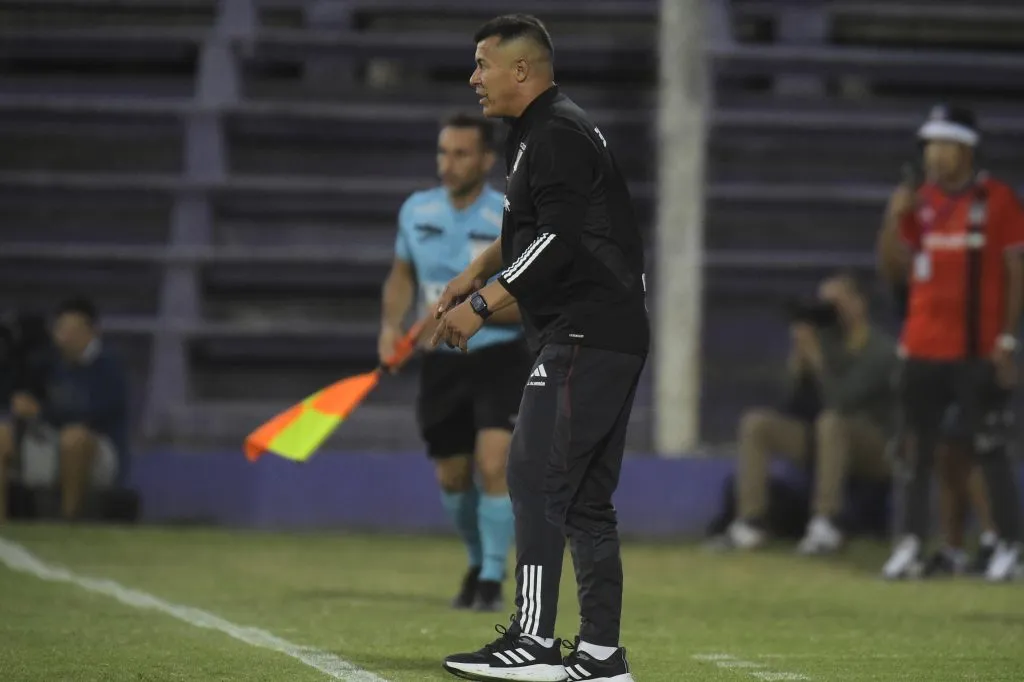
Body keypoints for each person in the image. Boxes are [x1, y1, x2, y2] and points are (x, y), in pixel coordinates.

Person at [432, 14, 648, 682]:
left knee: (531, 473)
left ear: (521, 70)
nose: (474, 79)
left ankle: (532, 640)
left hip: (585, 330)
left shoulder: (553, 133)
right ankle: (602, 654)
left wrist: (480, 304)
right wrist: (476, 269)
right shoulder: (549, 130)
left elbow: (558, 244)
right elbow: (540, 228)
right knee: (583, 496)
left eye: (482, 65)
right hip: (607, 331)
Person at [378, 112, 531, 611]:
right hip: (441, 365)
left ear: (488, 160)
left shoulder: (507, 219)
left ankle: (490, 577)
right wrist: (390, 328)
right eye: (444, 152)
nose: (449, 163)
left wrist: (471, 314)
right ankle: (476, 559)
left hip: (500, 358)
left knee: (493, 463)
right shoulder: (416, 210)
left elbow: (528, 298)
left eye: (461, 153)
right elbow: (401, 276)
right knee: (453, 477)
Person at [877, 104, 1024, 581]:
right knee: (915, 451)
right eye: (929, 145)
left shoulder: (996, 200)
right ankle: (911, 542)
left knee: (990, 449)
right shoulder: (919, 201)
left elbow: (1014, 271)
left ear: (964, 148)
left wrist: (1006, 340)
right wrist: (892, 220)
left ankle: (1008, 544)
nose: (933, 155)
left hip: (975, 349)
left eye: (942, 145)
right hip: (920, 347)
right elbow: (894, 272)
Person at [721, 273, 897, 555]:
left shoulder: (880, 350)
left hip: (877, 446)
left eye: (835, 303)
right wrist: (799, 361)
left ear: (858, 304)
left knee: (831, 423)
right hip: (828, 437)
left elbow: (842, 401)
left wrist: (816, 359)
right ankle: (750, 523)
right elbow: (794, 404)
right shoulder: (826, 341)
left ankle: (825, 522)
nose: (828, 310)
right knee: (757, 424)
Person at [0, 298, 128, 521]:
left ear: (92, 332)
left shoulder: (110, 366)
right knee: (1, 434)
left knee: (73, 437)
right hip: (48, 438)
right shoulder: (48, 362)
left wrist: (41, 412)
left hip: (98, 450)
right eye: (61, 328)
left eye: (73, 329)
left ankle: (68, 520)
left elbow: (93, 413)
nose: (65, 336)